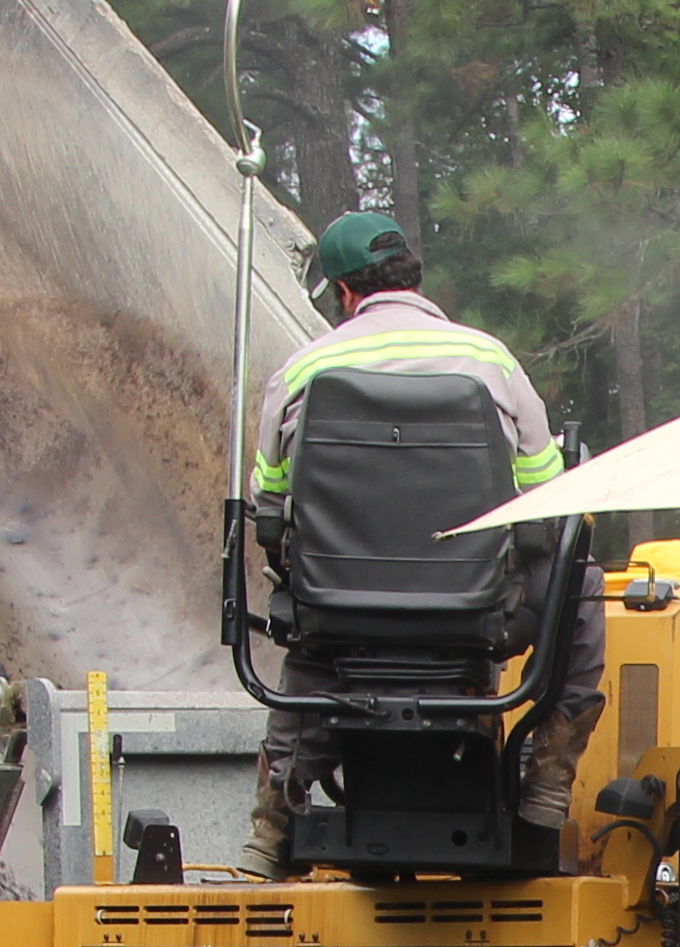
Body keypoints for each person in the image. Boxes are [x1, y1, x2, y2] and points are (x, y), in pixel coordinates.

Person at [240, 212, 578, 880]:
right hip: (474, 609)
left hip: (338, 614)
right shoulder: (489, 361)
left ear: (343, 293)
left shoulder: (304, 370)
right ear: (413, 281)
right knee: (582, 582)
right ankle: (547, 784)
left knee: (311, 633)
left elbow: (269, 504)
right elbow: (547, 492)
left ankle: (272, 822)